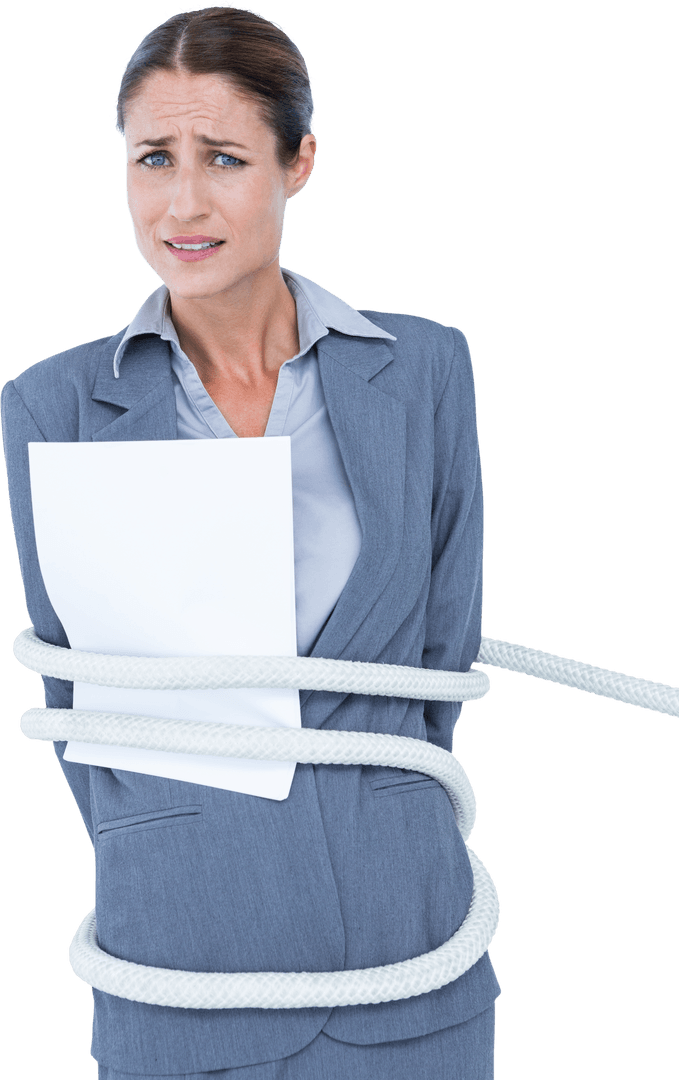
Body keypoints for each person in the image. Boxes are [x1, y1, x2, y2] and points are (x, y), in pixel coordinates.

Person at [1, 5, 501, 1078]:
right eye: (153, 159)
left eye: (224, 158)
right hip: (182, 962)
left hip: (407, 956)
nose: (183, 202)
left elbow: (442, 660)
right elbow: (77, 697)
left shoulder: (422, 373)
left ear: (298, 163)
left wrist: (384, 822)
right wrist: (180, 849)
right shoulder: (54, 405)